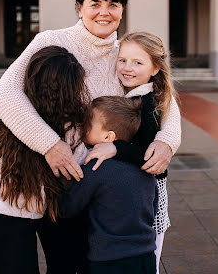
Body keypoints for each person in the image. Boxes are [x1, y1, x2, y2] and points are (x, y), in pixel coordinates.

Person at [0, 0, 181, 273]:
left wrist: (167, 141)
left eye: (113, 4)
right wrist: (50, 145)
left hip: (86, 186)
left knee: (71, 266)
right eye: (95, 3)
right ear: (79, 7)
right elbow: (5, 92)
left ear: (122, 10)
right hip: (36, 178)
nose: (104, 12)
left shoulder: (124, 54)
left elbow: (160, 96)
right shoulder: (51, 40)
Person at [0, 46, 89, 274]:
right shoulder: (71, 129)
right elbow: (77, 169)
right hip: (13, 213)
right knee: (69, 263)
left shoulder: (9, 116)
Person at [84, 32, 179, 273]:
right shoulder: (134, 94)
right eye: (123, 60)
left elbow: (147, 157)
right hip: (134, 194)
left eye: (138, 63)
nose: (128, 68)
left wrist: (116, 147)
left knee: (149, 255)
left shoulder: (148, 103)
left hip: (148, 195)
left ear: (155, 68)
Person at [62, 96, 158, 274]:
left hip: (109, 259)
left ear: (108, 136)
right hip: (146, 255)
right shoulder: (145, 169)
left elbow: (69, 207)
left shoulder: (95, 167)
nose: (83, 126)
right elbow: (153, 207)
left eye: (89, 124)